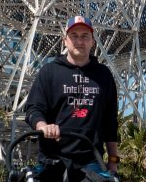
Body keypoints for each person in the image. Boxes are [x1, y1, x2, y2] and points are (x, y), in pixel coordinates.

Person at [24, 16, 119, 173]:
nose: (79, 41)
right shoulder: (48, 72)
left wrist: (113, 161)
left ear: (93, 42)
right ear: (65, 41)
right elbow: (34, 109)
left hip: (91, 161)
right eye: (74, 36)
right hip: (52, 159)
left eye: (85, 36)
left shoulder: (104, 76)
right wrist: (43, 126)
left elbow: (110, 122)